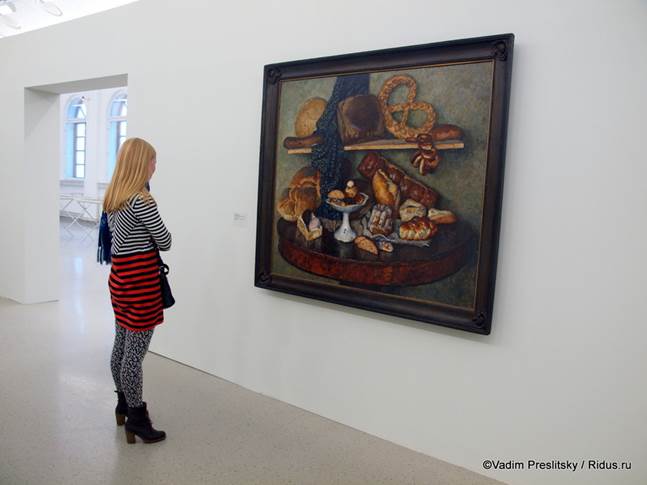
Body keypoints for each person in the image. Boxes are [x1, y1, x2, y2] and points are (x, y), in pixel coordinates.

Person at [102, 137, 171, 444]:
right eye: (153, 160)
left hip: (120, 280)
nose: (155, 166)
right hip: (141, 284)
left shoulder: (113, 197)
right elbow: (165, 241)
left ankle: (123, 405)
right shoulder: (141, 200)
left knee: (121, 344)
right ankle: (137, 419)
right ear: (141, 164)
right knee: (134, 355)